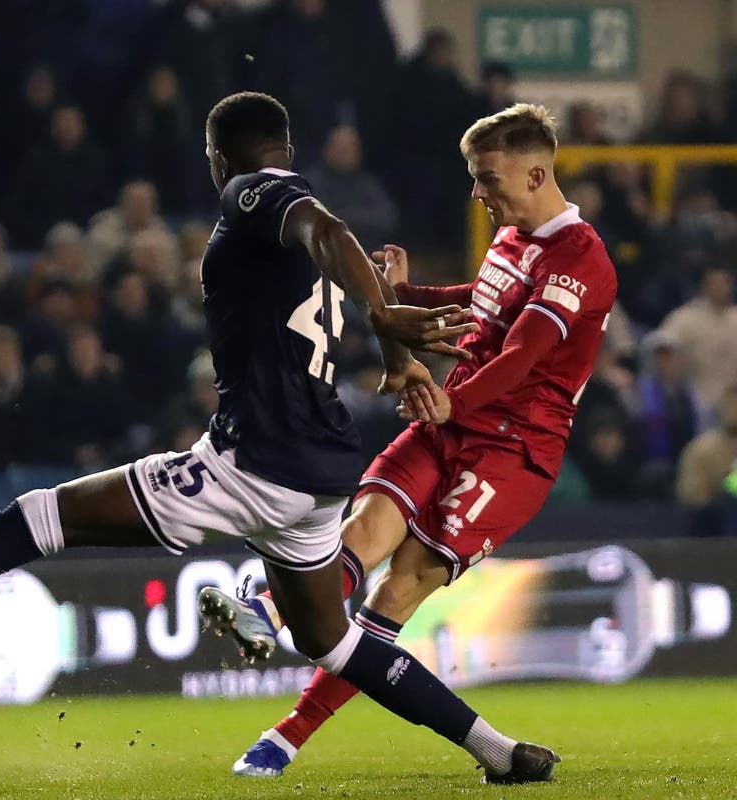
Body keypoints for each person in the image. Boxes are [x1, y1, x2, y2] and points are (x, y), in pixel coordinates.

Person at [0, 91, 558, 786]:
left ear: (218, 157)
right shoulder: (304, 216)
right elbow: (334, 242)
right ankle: (497, 750)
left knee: (38, 519)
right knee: (330, 638)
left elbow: (321, 227)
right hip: (319, 475)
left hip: (252, 462)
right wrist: (388, 343)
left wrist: (385, 320)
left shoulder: (256, 194)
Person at [197, 103, 617, 778]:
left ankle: (287, 736)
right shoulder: (512, 239)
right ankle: (268, 608)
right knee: (361, 534)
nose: (477, 192)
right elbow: (480, 304)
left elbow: (523, 357)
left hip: (514, 453)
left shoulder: (582, 260)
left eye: (487, 177)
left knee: (399, 590)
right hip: (451, 423)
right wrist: (403, 292)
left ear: (537, 173)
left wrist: (452, 398)